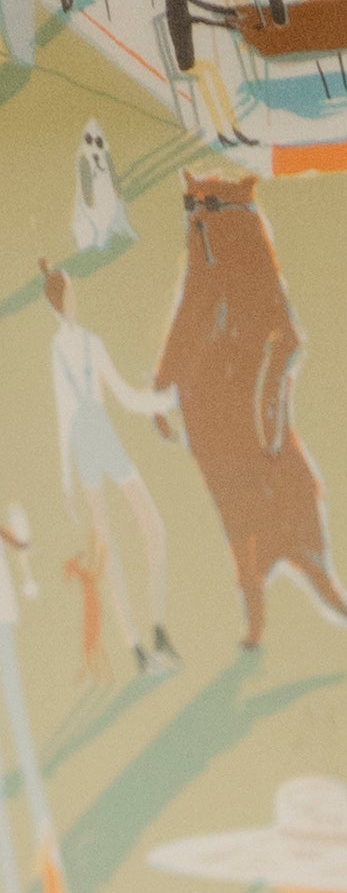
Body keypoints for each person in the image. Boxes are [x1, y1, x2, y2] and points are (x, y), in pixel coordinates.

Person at [36, 257, 173, 677]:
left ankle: (139, 642)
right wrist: (166, 401)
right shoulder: (87, 344)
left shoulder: (62, 349)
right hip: (98, 438)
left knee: (119, 541)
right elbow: (127, 399)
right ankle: (151, 633)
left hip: (86, 444)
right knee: (148, 528)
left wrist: (66, 480)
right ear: (67, 300)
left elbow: (65, 420)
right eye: (72, 293)